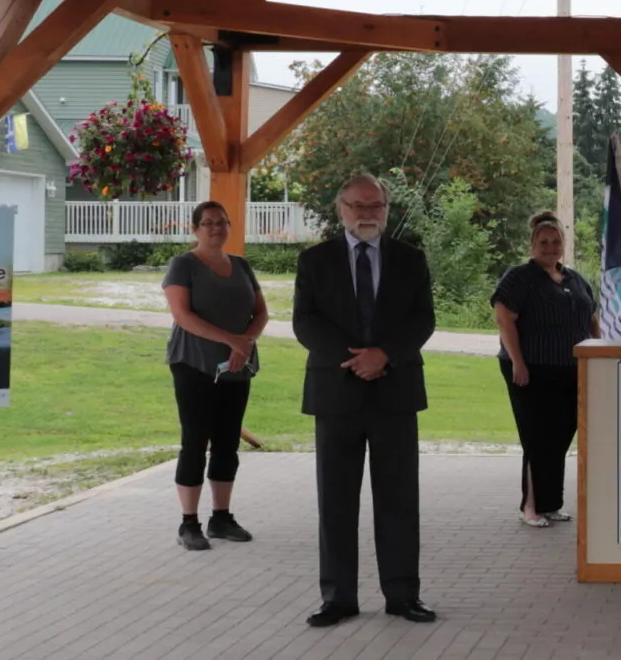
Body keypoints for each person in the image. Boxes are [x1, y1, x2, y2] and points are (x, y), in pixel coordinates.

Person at [294, 174, 438, 628]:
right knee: (335, 501)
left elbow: (423, 319)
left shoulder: (411, 260)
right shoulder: (314, 261)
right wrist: (356, 361)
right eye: (358, 206)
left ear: (386, 210)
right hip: (335, 395)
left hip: (395, 394)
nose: (367, 215)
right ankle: (337, 597)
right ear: (341, 209)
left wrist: (385, 356)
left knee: (398, 500)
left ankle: (402, 595)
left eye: (375, 206)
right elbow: (305, 323)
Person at [161, 201, 268, 551]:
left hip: (237, 366)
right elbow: (182, 315)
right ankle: (188, 523)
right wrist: (232, 340)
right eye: (207, 223)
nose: (215, 228)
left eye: (221, 222)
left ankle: (221, 517)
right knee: (195, 440)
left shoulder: (240, 265)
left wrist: (245, 344)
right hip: (193, 363)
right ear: (195, 228)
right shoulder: (183, 265)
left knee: (227, 441)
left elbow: (261, 311)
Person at [493, 211, 600, 528]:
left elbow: (591, 318)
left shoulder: (575, 279)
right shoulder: (519, 277)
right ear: (532, 244)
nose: (550, 248)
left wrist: (602, 350)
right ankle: (530, 506)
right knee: (537, 437)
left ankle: (552, 504)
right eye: (544, 242)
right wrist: (518, 362)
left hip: (572, 369)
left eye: (555, 242)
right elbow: (504, 319)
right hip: (531, 368)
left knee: (560, 437)